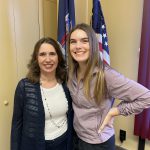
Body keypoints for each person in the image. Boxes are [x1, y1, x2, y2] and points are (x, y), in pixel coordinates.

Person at [67, 23, 150, 150]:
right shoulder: (70, 73)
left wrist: (114, 111)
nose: (78, 46)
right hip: (76, 137)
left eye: (84, 41)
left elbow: (146, 97)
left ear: (93, 45)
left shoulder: (106, 75)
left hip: (98, 143)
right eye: (73, 42)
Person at [11, 37, 73, 150]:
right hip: (35, 145)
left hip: (64, 143)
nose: (48, 59)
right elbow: (17, 125)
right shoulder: (24, 87)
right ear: (36, 58)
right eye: (42, 54)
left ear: (58, 57)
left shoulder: (66, 83)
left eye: (52, 54)